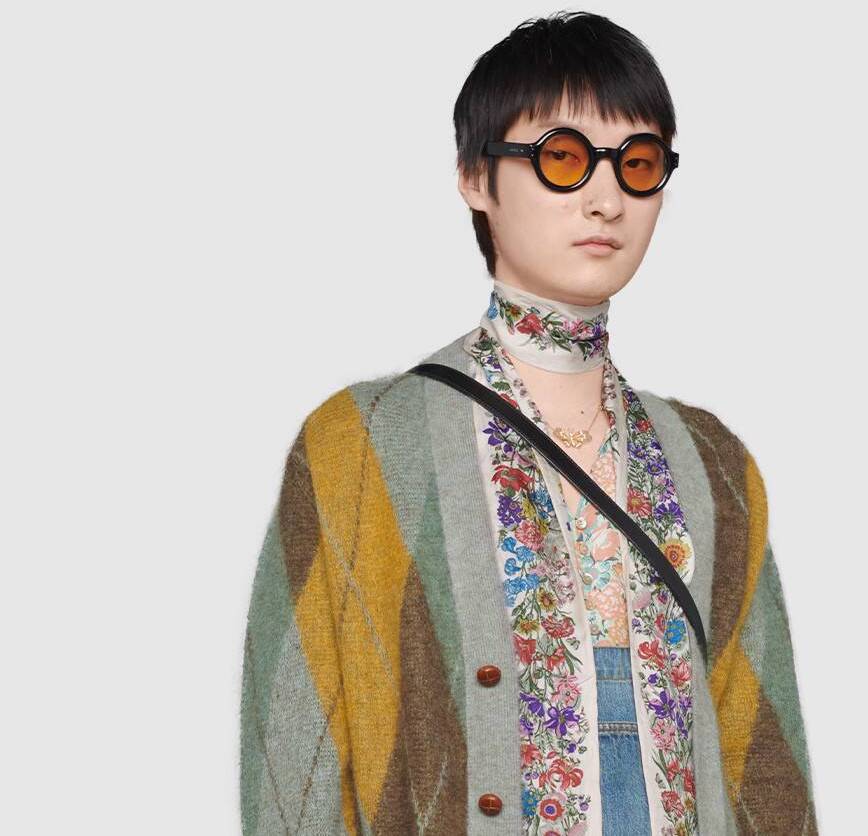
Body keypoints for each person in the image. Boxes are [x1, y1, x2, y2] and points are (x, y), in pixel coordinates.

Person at [239, 11, 819, 835]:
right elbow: (293, 751)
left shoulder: (712, 461)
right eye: (562, 157)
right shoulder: (358, 445)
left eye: (638, 164)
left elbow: (765, 764)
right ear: (476, 177)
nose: (606, 199)